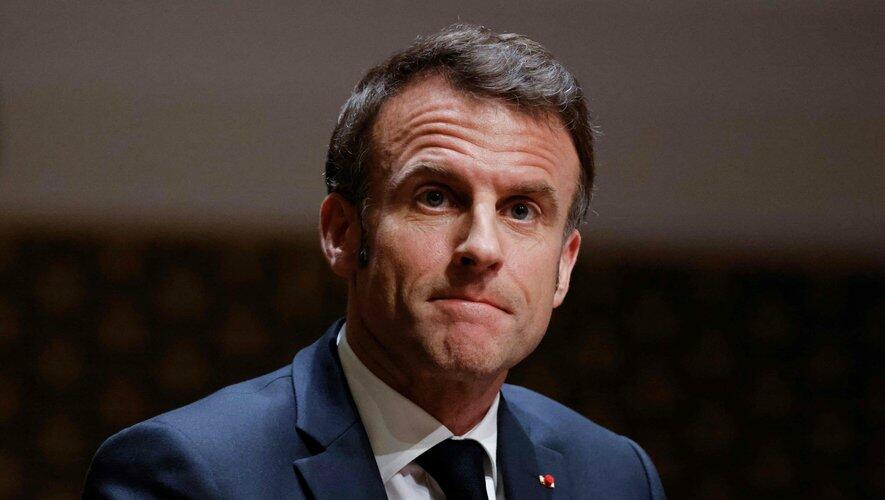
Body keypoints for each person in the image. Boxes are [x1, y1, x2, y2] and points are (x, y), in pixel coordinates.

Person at [83, 24, 665, 499]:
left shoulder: (616, 478)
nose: (482, 248)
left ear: (564, 266)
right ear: (343, 233)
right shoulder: (187, 475)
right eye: (435, 197)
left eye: (521, 210)